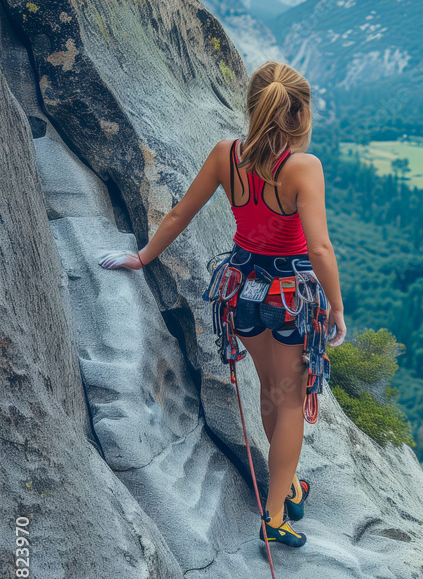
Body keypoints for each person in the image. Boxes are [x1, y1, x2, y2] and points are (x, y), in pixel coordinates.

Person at [99, 60, 346, 549]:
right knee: (290, 399)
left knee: (271, 390)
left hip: (241, 289)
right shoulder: (303, 168)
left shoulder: (225, 155)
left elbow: (179, 213)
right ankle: (275, 515)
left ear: (253, 105)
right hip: (289, 297)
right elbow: (319, 248)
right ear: (299, 115)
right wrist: (336, 308)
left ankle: (287, 486)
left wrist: (142, 257)